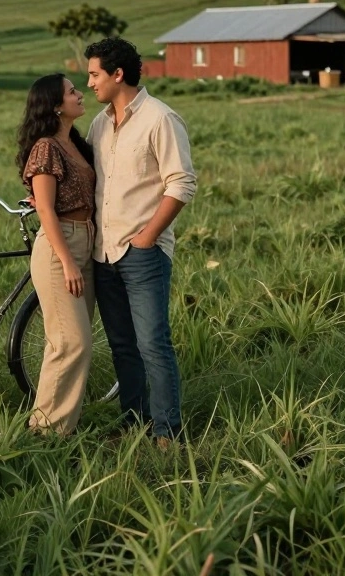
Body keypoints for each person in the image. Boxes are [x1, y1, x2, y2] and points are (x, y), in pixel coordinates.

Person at [85, 37, 196, 446]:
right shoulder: (99, 124)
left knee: (152, 343)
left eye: (95, 74)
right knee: (122, 346)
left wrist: (148, 237)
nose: (90, 82)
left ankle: (168, 431)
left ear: (118, 74)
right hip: (103, 252)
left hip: (141, 253)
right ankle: (133, 424)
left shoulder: (160, 118)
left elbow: (182, 183)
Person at [16, 73, 96, 435]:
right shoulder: (46, 147)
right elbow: (46, 210)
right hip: (59, 245)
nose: (80, 94)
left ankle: (52, 425)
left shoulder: (77, 143)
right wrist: (66, 261)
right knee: (72, 342)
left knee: (65, 342)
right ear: (54, 105)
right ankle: (48, 432)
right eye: (72, 91)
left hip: (86, 241)